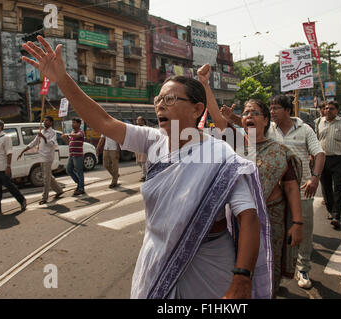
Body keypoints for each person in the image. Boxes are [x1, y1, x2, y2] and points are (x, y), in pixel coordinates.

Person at [21, 36, 273, 299]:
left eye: (171, 99)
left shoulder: (221, 155)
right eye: (159, 100)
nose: (160, 105)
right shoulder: (154, 139)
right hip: (157, 259)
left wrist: (242, 278)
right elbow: (104, 122)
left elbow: (248, 216)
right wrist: (62, 79)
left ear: (197, 109)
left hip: (210, 263)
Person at [198, 64, 304, 297]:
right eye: (245, 113)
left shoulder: (280, 151)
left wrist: (297, 223)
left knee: (268, 270)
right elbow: (216, 116)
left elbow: (291, 188)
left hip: (272, 222)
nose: (248, 116)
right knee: (238, 271)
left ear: (266, 120)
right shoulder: (235, 142)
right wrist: (205, 84)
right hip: (238, 219)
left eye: (254, 112)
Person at [265, 95, 325, 289]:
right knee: (278, 234)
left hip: (301, 192)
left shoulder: (305, 129)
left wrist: (314, 178)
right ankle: (277, 272)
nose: (272, 111)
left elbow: (319, 154)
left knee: (304, 233)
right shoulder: (268, 130)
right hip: (276, 194)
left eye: (276, 108)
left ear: (288, 110)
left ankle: (303, 268)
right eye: (270, 108)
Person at [315, 101, 341, 230]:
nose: (328, 111)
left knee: (338, 187)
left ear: (337, 111)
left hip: (339, 159)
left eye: (331, 109)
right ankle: (331, 210)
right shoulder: (318, 122)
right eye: (326, 108)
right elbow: (315, 141)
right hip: (323, 159)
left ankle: (337, 215)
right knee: (326, 188)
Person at [18, 116, 63, 205]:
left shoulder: (52, 132)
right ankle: (58, 190)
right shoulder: (41, 131)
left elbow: (52, 144)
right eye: (44, 121)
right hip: (41, 157)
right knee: (48, 175)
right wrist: (23, 151)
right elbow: (34, 142)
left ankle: (44, 197)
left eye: (46, 121)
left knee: (46, 178)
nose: (44, 122)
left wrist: (44, 137)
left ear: (51, 123)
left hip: (48, 157)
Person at [0, 119, 26, 214]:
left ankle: (22, 200)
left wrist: (8, 166)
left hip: (2, 168)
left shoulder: (6, 138)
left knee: (10, 187)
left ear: (0, 127)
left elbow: (9, 153)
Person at [61, 118, 85, 195]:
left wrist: (68, 134)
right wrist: (66, 138)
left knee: (79, 171)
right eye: (72, 122)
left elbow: (77, 136)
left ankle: (81, 188)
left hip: (78, 155)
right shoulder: (72, 132)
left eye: (74, 122)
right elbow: (70, 142)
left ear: (79, 124)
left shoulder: (80, 132)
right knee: (69, 170)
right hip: (72, 155)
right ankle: (79, 183)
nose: (72, 124)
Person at [135, 116, 148, 181]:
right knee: (139, 161)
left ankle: (144, 175)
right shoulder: (137, 128)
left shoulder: (146, 128)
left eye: (139, 120)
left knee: (143, 161)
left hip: (144, 146)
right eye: (137, 120)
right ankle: (145, 173)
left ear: (143, 121)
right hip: (138, 147)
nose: (137, 121)